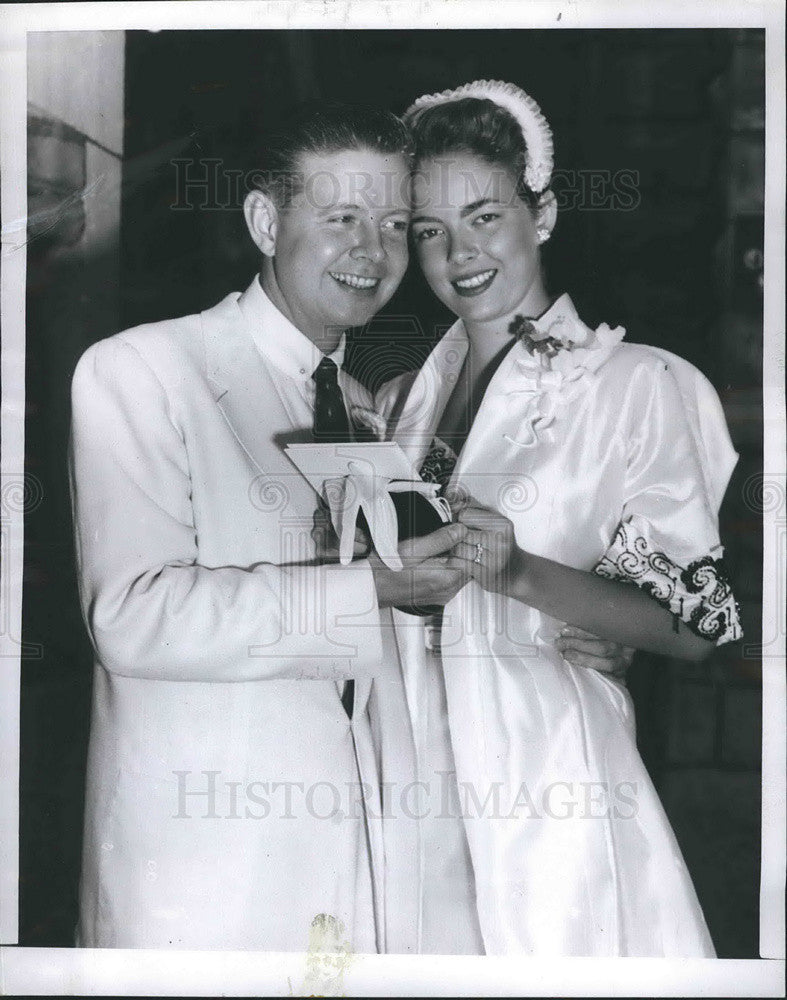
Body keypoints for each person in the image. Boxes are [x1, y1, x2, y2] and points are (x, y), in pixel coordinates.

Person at [70, 96, 631, 953]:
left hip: (359, 879)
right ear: (264, 220)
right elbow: (133, 619)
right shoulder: (144, 371)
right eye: (341, 219)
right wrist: (371, 586)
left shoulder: (373, 412)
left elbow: (406, 626)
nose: (373, 253)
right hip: (199, 881)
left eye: (398, 225)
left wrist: (576, 624)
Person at [371, 80, 742, 956]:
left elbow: (695, 626)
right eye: (429, 231)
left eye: (484, 216)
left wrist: (526, 579)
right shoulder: (395, 402)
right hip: (404, 762)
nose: (458, 252)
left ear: (542, 213)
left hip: (546, 777)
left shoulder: (638, 385)